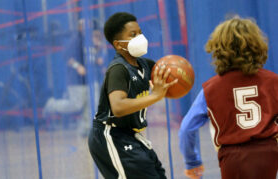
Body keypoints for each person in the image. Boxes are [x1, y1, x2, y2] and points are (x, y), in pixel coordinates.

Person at [179, 17, 278, 179]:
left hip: (233, 157)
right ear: (257, 45)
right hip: (268, 154)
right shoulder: (273, 81)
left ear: (218, 50)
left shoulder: (210, 88)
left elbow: (186, 128)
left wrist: (192, 162)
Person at [88, 12, 177, 179]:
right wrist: (155, 96)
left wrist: (178, 77)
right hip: (110, 135)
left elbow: (170, 78)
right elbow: (118, 107)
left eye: (140, 32)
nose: (140, 38)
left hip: (130, 134)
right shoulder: (118, 70)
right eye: (133, 35)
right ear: (118, 44)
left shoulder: (145, 65)